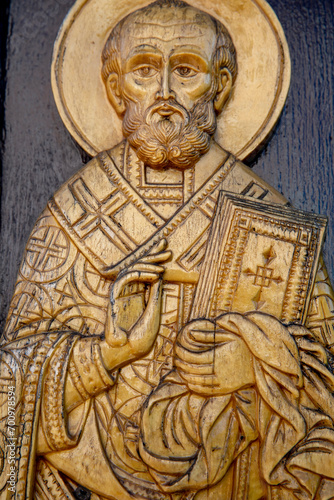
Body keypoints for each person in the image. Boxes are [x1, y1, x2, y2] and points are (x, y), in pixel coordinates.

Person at [1, 0, 334, 498]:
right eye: (143, 71)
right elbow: (10, 385)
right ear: (114, 91)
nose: (163, 95)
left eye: (184, 71)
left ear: (220, 86)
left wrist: (259, 366)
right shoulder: (71, 216)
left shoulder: (269, 221)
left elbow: (325, 380)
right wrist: (106, 356)